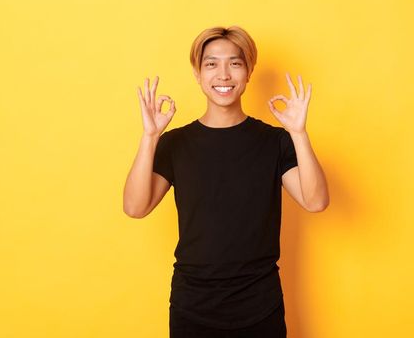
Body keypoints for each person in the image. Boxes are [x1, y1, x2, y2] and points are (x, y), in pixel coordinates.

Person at [122, 25, 330, 338]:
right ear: (197, 73)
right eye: (211, 64)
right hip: (192, 306)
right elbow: (135, 207)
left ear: (248, 72)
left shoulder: (275, 142)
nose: (223, 75)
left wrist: (299, 134)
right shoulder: (175, 143)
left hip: (260, 304)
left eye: (234, 63)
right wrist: (150, 137)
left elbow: (316, 201)